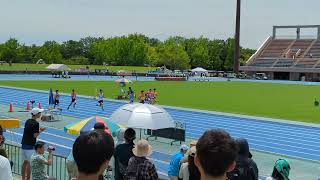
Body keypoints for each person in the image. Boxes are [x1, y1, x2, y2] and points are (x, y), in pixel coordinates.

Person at [21, 107, 46, 180]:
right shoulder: (36, 123)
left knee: (24, 163)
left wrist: (38, 130)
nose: (40, 114)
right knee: (29, 164)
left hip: (23, 144)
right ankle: (28, 179)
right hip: (30, 146)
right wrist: (41, 131)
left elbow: (30, 131)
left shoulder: (27, 121)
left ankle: (23, 178)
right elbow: (35, 135)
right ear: (37, 114)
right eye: (40, 113)